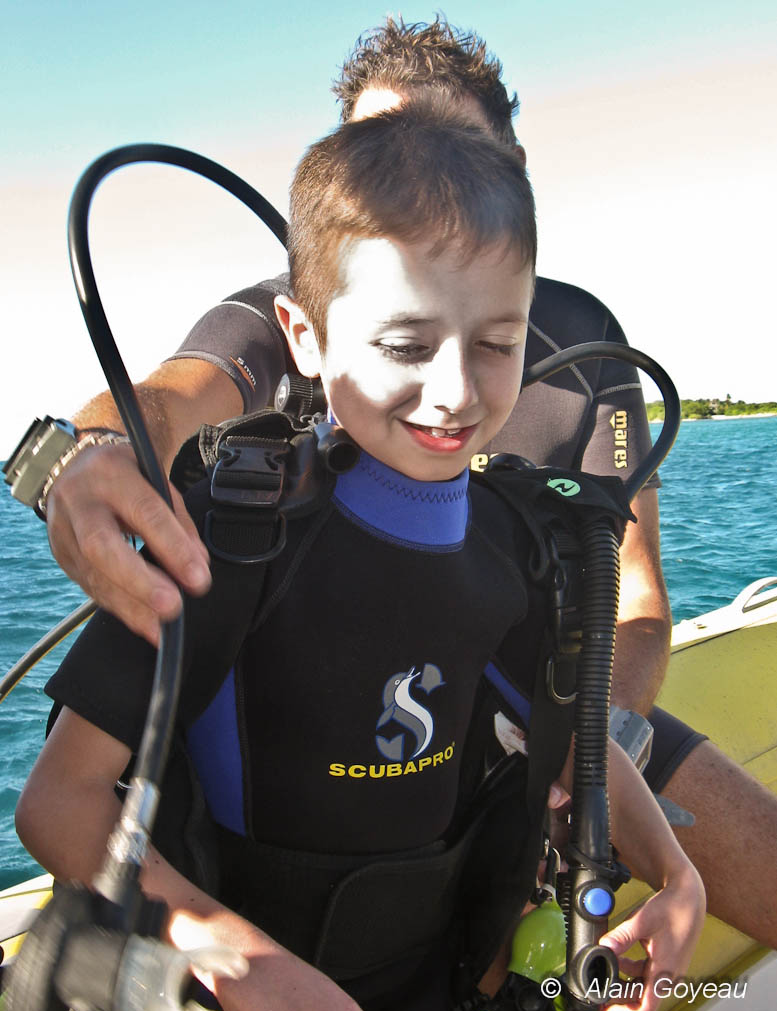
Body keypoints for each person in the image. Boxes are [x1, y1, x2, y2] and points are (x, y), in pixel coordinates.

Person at [13, 17, 777, 949]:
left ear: (512, 165)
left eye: (447, 152)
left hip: (532, 689)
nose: (413, 193)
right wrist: (87, 454)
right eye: (374, 158)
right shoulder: (315, 300)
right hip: (302, 722)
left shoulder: (585, 344)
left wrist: (588, 753)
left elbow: (637, 590)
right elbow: (167, 399)